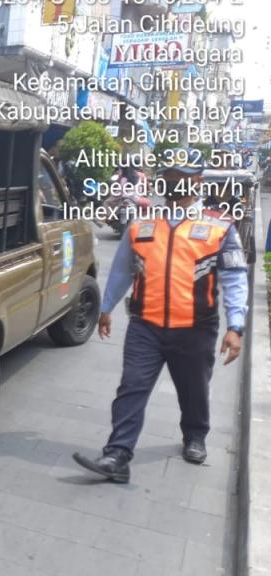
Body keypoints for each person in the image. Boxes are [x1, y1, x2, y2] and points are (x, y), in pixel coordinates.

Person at [73, 148, 248, 483]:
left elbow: (234, 279)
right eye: (168, 175)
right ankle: (117, 455)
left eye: (180, 176)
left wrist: (235, 326)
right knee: (132, 387)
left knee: (193, 389)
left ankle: (195, 435)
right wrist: (106, 307)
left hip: (196, 328)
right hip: (146, 326)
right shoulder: (142, 225)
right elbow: (123, 270)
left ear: (197, 181)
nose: (173, 182)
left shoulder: (220, 229)